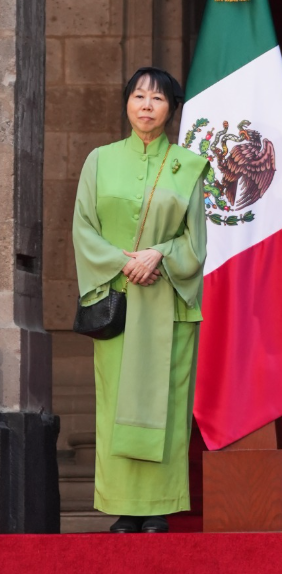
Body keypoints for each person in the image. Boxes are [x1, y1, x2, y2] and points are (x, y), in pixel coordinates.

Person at [72, 67, 209, 533]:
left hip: (169, 303)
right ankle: (124, 508)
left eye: (158, 98)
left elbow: (195, 242)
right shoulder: (99, 160)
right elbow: (83, 228)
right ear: (127, 102)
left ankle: (158, 508)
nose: (147, 105)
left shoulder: (189, 166)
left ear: (172, 109)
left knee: (167, 404)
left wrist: (160, 254)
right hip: (118, 301)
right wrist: (121, 262)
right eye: (138, 96)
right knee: (115, 404)